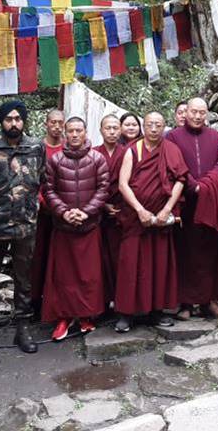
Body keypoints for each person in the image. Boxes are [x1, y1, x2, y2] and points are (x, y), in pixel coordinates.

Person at [0, 101, 45, 358]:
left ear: (24, 120)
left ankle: (23, 326)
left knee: (24, 278)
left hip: (26, 225)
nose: (13, 123)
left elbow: (42, 180)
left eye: (18, 118)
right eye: (8, 119)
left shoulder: (37, 147)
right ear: (1, 121)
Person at [114, 112, 187, 332]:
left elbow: (180, 180)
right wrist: (139, 210)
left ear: (164, 127)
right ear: (143, 127)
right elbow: (122, 184)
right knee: (130, 265)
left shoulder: (171, 150)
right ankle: (126, 314)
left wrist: (166, 210)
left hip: (162, 220)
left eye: (158, 125)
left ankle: (157, 312)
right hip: (137, 219)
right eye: (149, 124)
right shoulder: (132, 150)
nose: (154, 129)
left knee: (159, 265)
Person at [42, 117, 110, 341]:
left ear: (85, 132)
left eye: (78, 130)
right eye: (70, 131)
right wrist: (64, 212)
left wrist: (86, 212)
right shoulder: (56, 160)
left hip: (89, 225)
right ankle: (64, 318)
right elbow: (49, 190)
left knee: (89, 275)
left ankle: (86, 317)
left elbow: (103, 189)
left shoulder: (97, 158)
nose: (74, 135)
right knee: (64, 276)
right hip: (64, 227)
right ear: (65, 133)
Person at [166, 97, 218, 320]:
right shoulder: (173, 136)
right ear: (186, 113)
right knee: (186, 252)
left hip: (211, 201)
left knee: (210, 251)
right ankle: (185, 303)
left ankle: (208, 301)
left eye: (202, 113)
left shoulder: (214, 136)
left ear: (207, 114)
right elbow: (173, 165)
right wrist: (193, 185)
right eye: (193, 112)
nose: (197, 116)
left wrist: (207, 184)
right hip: (186, 203)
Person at [31, 109, 66, 322]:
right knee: (38, 258)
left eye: (59, 122)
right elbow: (33, 179)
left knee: (60, 259)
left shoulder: (69, 147)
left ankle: (58, 302)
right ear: (46, 124)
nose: (56, 126)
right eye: (52, 122)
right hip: (41, 212)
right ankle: (35, 302)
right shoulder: (37, 148)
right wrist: (44, 203)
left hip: (63, 214)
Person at [94, 114, 125, 306]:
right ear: (101, 130)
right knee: (101, 258)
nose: (112, 132)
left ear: (120, 130)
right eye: (108, 128)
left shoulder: (128, 152)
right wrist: (103, 205)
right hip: (99, 213)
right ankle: (103, 301)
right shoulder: (94, 153)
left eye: (115, 128)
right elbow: (89, 183)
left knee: (121, 259)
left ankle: (122, 299)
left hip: (123, 213)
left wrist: (121, 207)